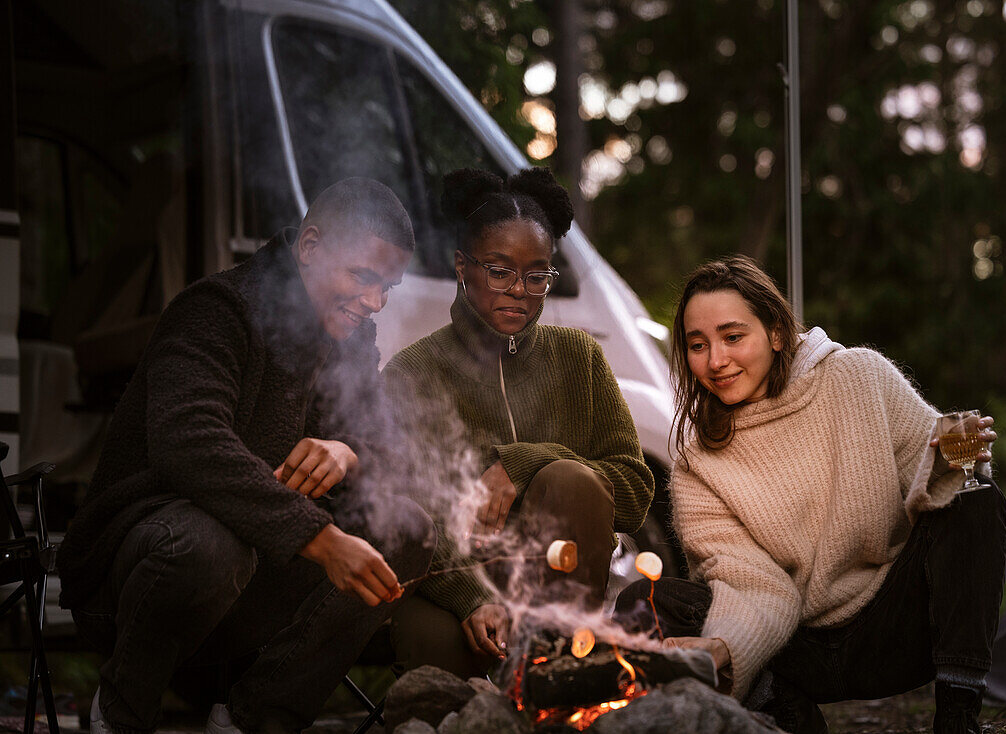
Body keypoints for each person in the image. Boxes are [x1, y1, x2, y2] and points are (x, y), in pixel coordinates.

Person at [56, 178, 437, 734]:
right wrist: (324, 541)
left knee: (407, 528)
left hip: (252, 583)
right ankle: (118, 715)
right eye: (362, 277)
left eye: (388, 287)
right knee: (210, 543)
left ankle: (250, 720)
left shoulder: (352, 337)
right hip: (137, 578)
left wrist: (347, 452)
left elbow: (390, 449)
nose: (375, 302)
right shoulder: (217, 308)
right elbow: (188, 443)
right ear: (310, 247)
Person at [614, 256, 1006, 734]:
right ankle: (784, 714)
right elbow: (754, 584)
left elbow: (936, 485)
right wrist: (724, 647)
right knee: (644, 600)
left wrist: (954, 458)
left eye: (733, 337)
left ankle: (957, 717)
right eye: (698, 345)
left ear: (777, 333)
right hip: (790, 651)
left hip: (895, 628)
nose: (715, 361)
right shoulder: (699, 464)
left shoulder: (859, 377)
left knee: (976, 498)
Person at [382, 167, 654, 679]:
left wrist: (529, 462)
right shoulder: (412, 373)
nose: (520, 291)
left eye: (537, 275)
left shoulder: (580, 357)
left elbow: (637, 494)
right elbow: (402, 514)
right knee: (441, 674)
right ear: (463, 267)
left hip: (558, 583)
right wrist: (471, 599)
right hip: (450, 586)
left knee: (569, 478)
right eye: (499, 270)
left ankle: (561, 682)